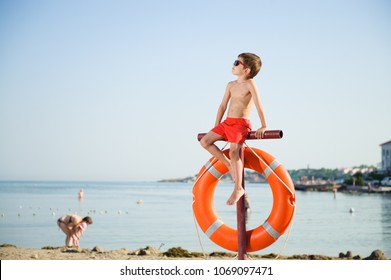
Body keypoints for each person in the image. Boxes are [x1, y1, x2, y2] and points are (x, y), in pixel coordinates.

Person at [200, 53, 267, 205]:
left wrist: (264, 125)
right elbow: (222, 106)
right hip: (226, 123)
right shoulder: (230, 85)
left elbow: (259, 105)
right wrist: (216, 125)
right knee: (205, 142)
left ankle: (238, 188)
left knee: (234, 151)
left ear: (247, 70)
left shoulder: (250, 84)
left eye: (237, 63)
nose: (233, 64)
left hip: (241, 124)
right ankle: (228, 164)